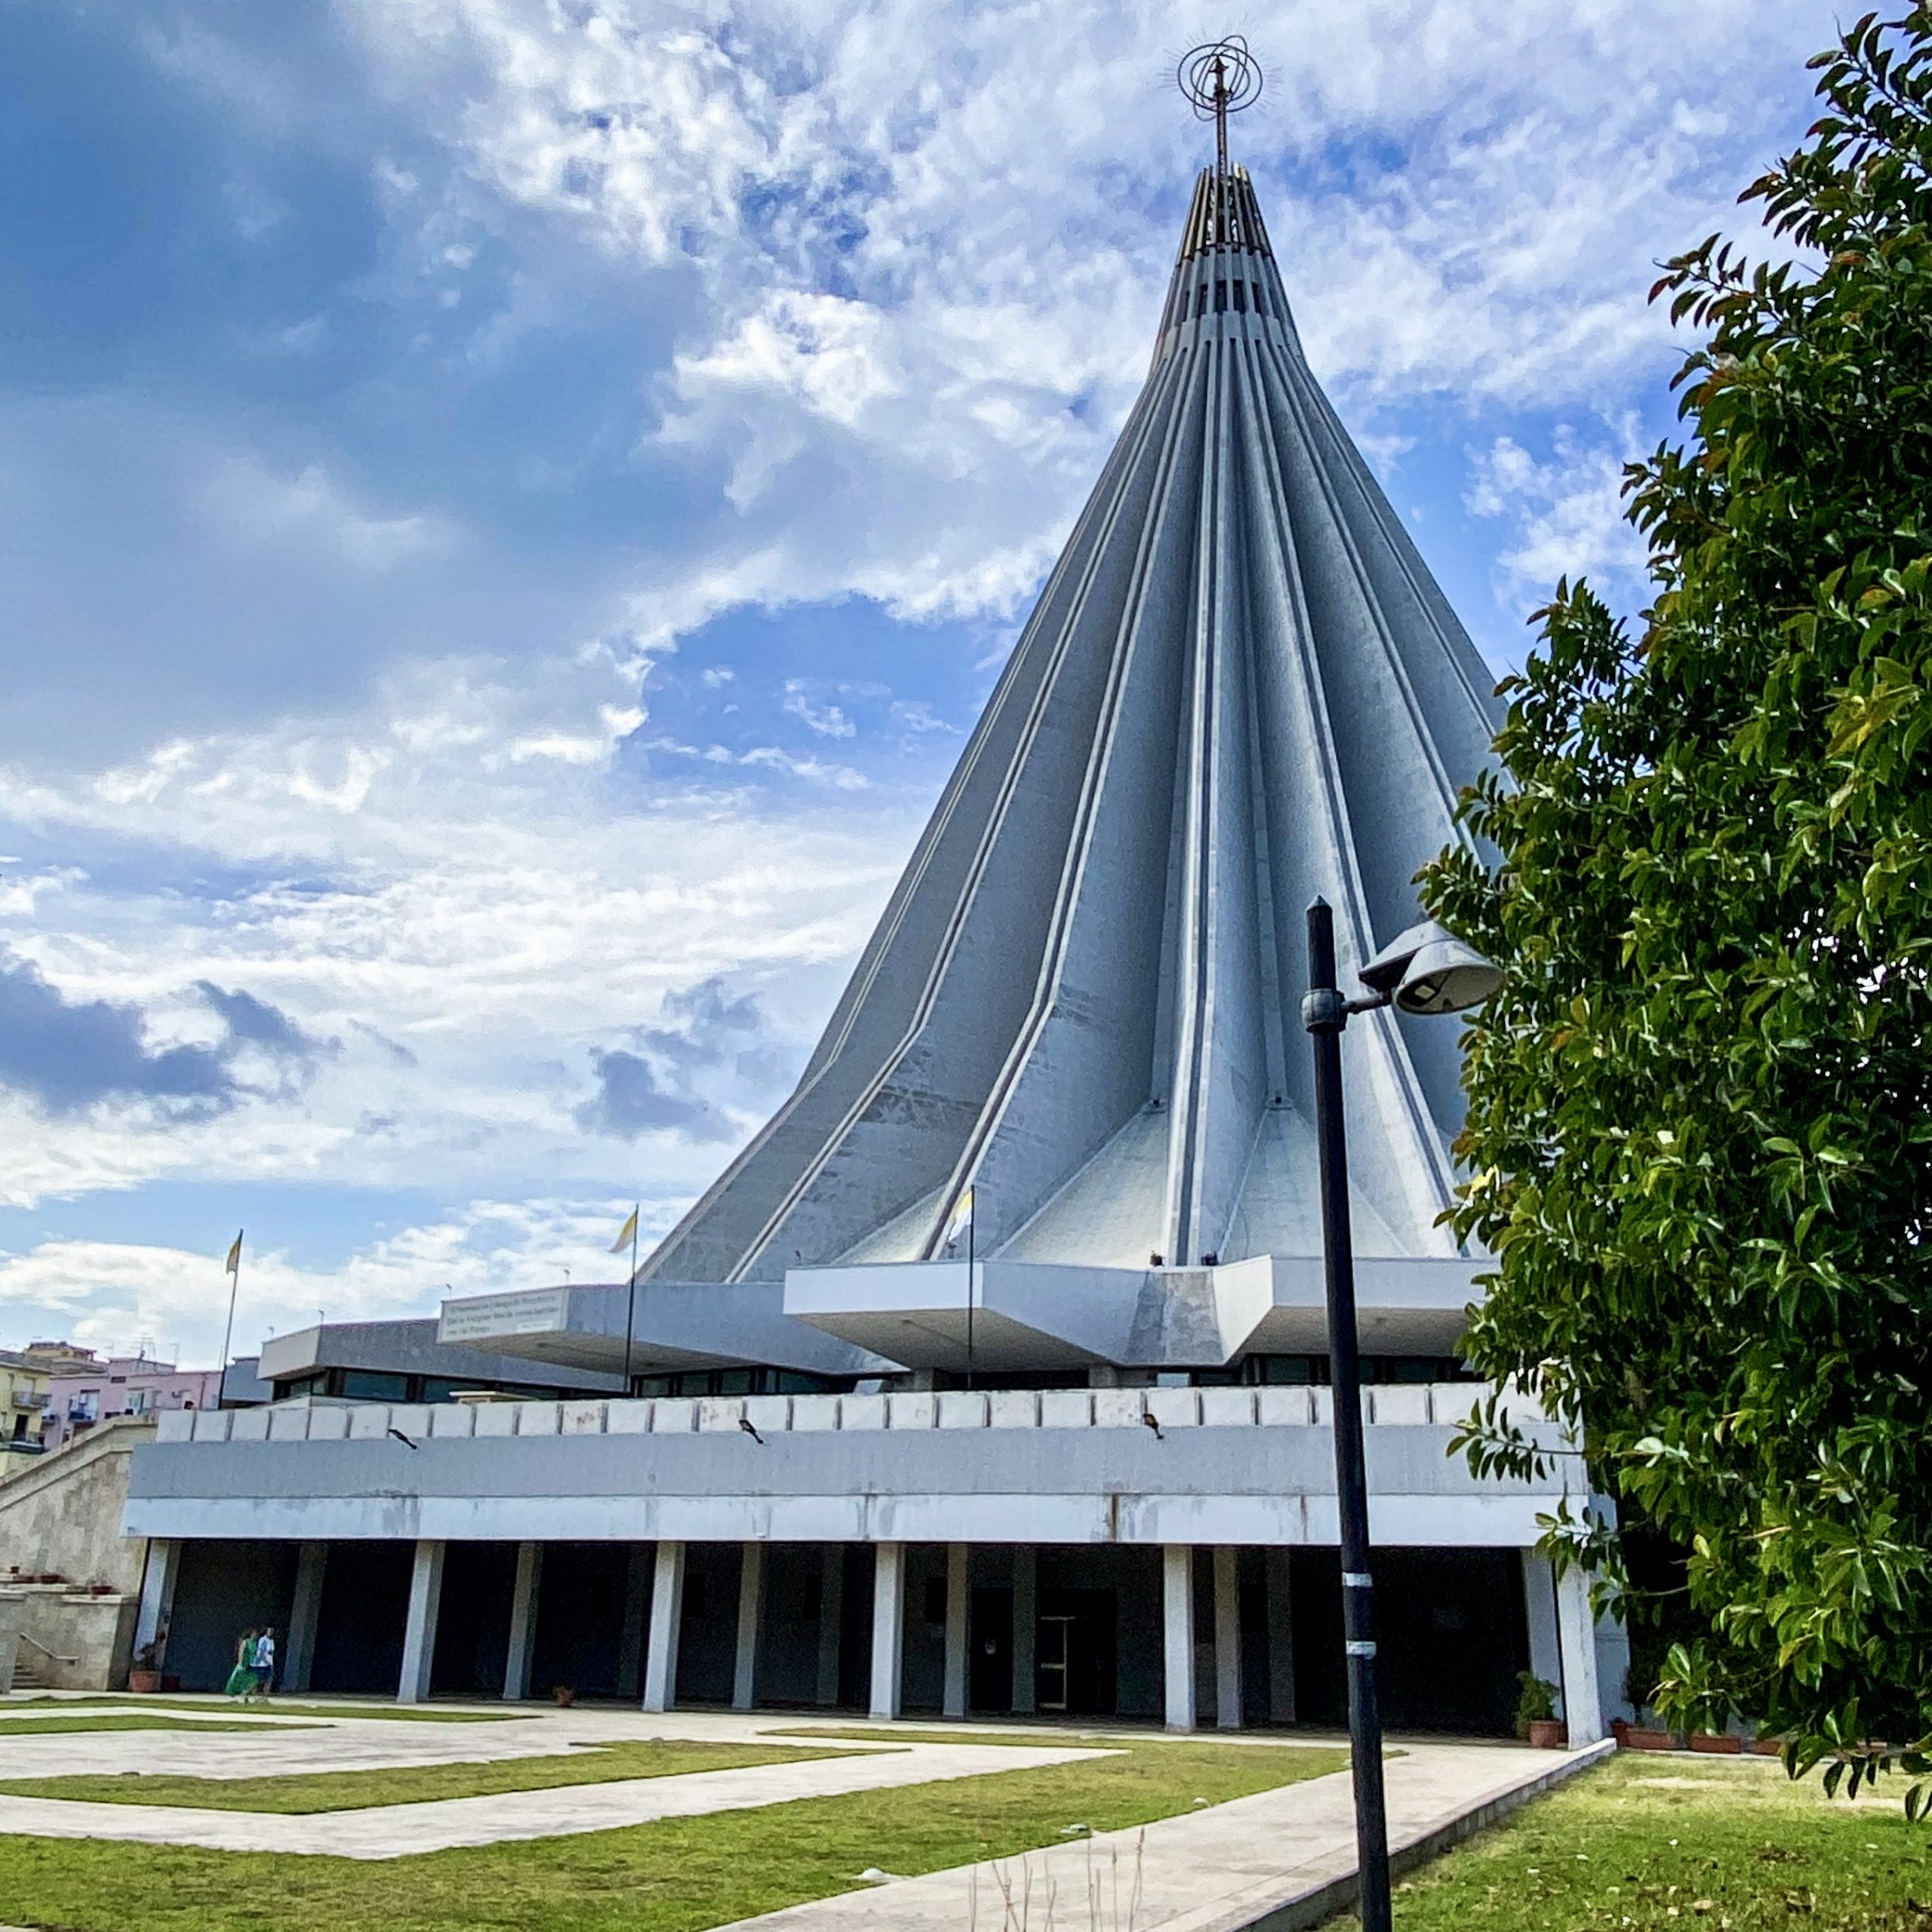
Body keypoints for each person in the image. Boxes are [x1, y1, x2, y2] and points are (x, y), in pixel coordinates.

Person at [225, 1629, 259, 1701]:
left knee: (252, 1678)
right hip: (244, 1662)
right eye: (255, 1633)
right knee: (237, 1676)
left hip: (252, 1663)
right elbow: (241, 1652)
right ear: (251, 1634)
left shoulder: (255, 1643)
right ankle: (231, 1691)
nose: (256, 1635)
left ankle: (246, 1692)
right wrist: (240, 1662)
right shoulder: (246, 1642)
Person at [251, 1627, 275, 1698]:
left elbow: (271, 1652)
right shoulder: (263, 1640)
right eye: (269, 1631)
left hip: (269, 1663)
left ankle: (266, 1695)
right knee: (258, 1680)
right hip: (261, 1663)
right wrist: (264, 1660)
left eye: (271, 1632)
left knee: (269, 1679)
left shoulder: (271, 1641)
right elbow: (261, 1651)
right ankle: (254, 1694)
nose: (270, 1633)